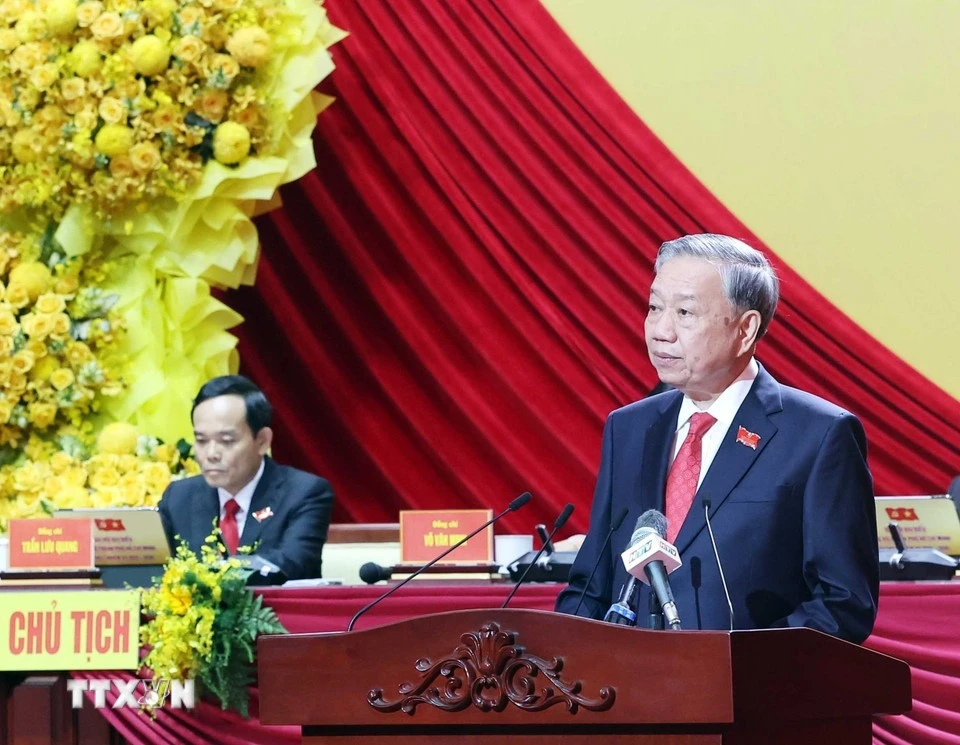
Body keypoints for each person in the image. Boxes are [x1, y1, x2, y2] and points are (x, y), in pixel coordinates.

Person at [555, 234, 879, 643]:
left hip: (749, 696)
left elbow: (843, 603)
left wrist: (738, 668)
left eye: (685, 312)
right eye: (655, 308)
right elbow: (591, 587)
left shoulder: (819, 435)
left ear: (745, 330)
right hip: (629, 694)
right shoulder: (630, 428)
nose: (660, 331)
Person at [158, 375, 334, 583]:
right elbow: (154, 569)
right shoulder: (179, 497)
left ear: (262, 441)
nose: (211, 453)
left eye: (226, 441)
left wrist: (213, 574)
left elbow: (293, 563)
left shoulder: (304, 492)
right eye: (201, 440)